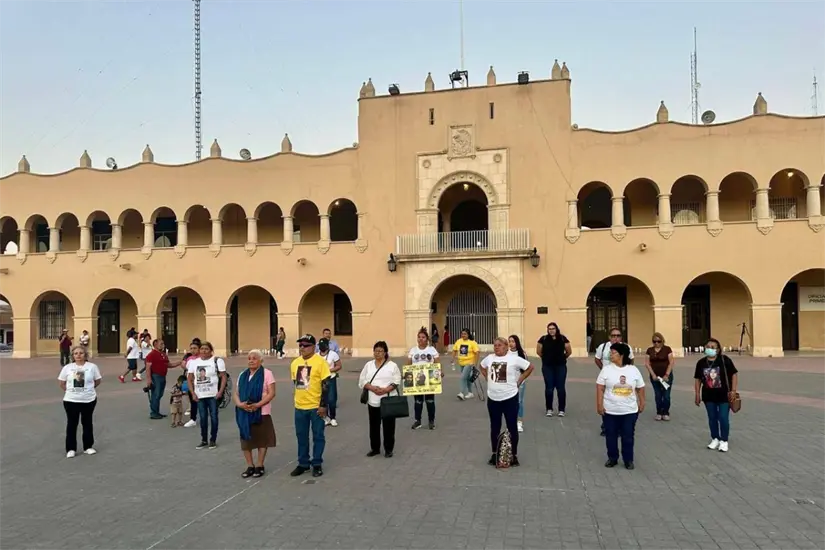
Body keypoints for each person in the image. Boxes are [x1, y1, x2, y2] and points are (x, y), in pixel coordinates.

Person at [480, 337, 532, 466]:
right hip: (493, 398)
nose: (496, 347)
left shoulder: (514, 359)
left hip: (510, 397)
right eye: (495, 345)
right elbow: (481, 366)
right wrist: (487, 377)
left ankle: (513, 455)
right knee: (495, 427)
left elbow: (530, 367)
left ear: (506, 347)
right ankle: (494, 454)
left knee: (512, 427)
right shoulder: (490, 358)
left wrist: (519, 380)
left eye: (499, 345)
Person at [596, 342, 645, 470]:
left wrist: (642, 402)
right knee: (610, 435)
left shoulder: (633, 370)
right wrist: (599, 405)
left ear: (622, 355)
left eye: (613, 353)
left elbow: (640, 388)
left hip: (629, 410)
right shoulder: (606, 370)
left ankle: (628, 459)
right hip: (610, 410)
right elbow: (600, 388)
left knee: (628, 436)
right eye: (610, 352)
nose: (610, 355)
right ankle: (612, 458)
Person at [289, 334, 331, 478]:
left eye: (306, 345)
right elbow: (295, 383)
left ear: (314, 347)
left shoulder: (320, 362)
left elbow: (326, 385)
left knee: (318, 436)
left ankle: (317, 463)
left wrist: (323, 405)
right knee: (301, 436)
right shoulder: (295, 363)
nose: (302, 348)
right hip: (300, 407)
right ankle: (303, 463)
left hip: (316, 407)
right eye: (300, 345)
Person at [234, 349, 277, 478]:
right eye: (249, 358)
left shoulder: (267, 374)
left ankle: (259, 464)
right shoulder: (242, 375)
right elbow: (236, 393)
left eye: (254, 358)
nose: (251, 360)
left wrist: (257, 405)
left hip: (262, 411)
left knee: (261, 439)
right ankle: (249, 466)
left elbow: (271, 393)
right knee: (246, 440)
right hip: (244, 412)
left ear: (261, 360)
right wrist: (240, 404)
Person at [694, 338, 739, 453]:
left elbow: (734, 374)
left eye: (713, 347)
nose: (710, 349)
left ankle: (724, 440)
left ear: (718, 350)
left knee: (723, 418)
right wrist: (697, 394)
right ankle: (715, 438)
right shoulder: (701, 363)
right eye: (708, 346)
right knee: (712, 418)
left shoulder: (724, 360)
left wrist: (733, 390)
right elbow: (698, 380)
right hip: (709, 396)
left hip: (724, 395)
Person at [359, 341, 402, 457]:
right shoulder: (368, 365)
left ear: (385, 353)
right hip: (373, 400)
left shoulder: (392, 365)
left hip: (388, 399)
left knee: (389, 426)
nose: (378, 353)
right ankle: (375, 448)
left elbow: (397, 380)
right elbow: (362, 380)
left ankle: (388, 449)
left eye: (380, 351)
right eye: (376, 351)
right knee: (374, 426)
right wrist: (372, 388)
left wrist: (386, 389)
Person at [58, 346, 102, 458]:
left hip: (88, 399)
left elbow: (97, 381)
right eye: (76, 353)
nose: (78, 355)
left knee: (87, 423)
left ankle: (88, 447)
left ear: (85, 355)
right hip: (71, 400)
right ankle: (71, 448)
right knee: (72, 424)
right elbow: (62, 383)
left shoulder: (92, 367)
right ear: (72, 355)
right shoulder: (68, 368)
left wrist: (88, 390)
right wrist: (72, 391)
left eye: (81, 353)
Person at [187, 341, 227, 449]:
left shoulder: (217, 361)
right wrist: (192, 393)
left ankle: (213, 439)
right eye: (202, 349)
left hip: (213, 395)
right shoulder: (193, 363)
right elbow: (190, 378)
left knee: (214, 417)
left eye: (206, 349)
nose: (204, 351)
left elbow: (223, 377)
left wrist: (220, 391)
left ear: (211, 351)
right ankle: (204, 440)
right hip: (200, 395)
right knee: (203, 418)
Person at [594, 328, 634, 436]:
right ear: (609, 337)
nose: (615, 338)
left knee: (620, 400)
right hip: (607, 379)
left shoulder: (626, 347)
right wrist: (603, 369)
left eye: (618, 335)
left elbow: (631, 360)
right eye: (613, 336)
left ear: (621, 337)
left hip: (621, 378)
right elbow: (597, 359)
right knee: (607, 401)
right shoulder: (603, 347)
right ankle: (606, 426)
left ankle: (620, 427)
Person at [408, 327, 441, 430]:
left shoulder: (431, 350)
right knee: (418, 401)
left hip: (430, 378)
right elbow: (409, 364)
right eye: (419, 337)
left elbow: (437, 362)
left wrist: (439, 372)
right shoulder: (413, 350)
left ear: (427, 339)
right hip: (417, 379)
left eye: (423, 337)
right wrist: (406, 374)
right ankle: (418, 421)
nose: (420, 339)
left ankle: (431, 421)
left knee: (430, 401)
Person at [536, 322, 572, 417]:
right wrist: (546, 358)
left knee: (561, 388)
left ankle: (561, 409)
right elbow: (538, 351)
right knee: (549, 388)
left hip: (560, 366)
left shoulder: (563, 338)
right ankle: (549, 409)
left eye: (553, 328)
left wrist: (562, 358)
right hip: (547, 367)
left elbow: (569, 351)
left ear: (556, 329)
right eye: (549, 329)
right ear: (547, 330)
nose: (551, 330)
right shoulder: (543, 339)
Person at [145, 338, 182, 420]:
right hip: (156, 376)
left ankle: (156, 412)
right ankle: (154, 413)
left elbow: (169, 364)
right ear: (155, 345)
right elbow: (148, 367)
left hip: (162, 376)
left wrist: (179, 362)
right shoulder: (151, 355)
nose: (163, 345)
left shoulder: (163, 354)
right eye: (161, 344)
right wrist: (149, 379)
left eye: (163, 343)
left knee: (159, 394)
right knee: (156, 395)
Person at [644, 332, 674, 421]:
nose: (656, 343)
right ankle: (659, 412)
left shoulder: (667, 349)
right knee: (658, 395)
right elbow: (647, 363)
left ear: (662, 341)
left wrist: (667, 374)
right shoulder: (649, 350)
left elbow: (671, 362)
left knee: (666, 395)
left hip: (666, 376)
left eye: (658, 341)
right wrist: (653, 375)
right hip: (655, 376)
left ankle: (665, 412)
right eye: (654, 341)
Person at [318, 337, 342, 426]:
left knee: (332, 399)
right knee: (323, 399)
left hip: (330, 378)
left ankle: (333, 417)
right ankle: (326, 417)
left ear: (327, 346)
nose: (322, 347)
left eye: (323, 345)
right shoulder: (316, 355)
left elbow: (339, 366)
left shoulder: (333, 354)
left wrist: (330, 370)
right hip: (320, 380)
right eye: (320, 345)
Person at [508, 335, 529, 432]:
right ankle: (511, 422)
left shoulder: (522, 354)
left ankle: (519, 422)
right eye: (509, 341)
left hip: (519, 382)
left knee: (519, 402)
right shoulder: (506, 353)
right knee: (509, 403)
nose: (511, 343)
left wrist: (520, 380)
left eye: (513, 341)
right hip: (508, 383)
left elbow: (526, 369)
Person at [452, 328, 479, 400]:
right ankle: (470, 393)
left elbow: (477, 353)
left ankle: (461, 393)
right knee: (467, 378)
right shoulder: (458, 341)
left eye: (465, 334)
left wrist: (475, 363)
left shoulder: (472, 342)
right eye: (462, 334)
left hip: (469, 363)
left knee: (463, 377)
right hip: (461, 363)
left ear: (468, 334)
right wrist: (453, 359)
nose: (463, 335)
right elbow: (454, 350)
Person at [182, 339, 202, 427]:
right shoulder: (189, 359)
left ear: (199, 349)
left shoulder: (202, 358)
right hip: (192, 383)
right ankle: (193, 419)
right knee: (193, 400)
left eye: (195, 348)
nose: (193, 350)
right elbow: (186, 369)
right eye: (191, 348)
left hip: (201, 383)